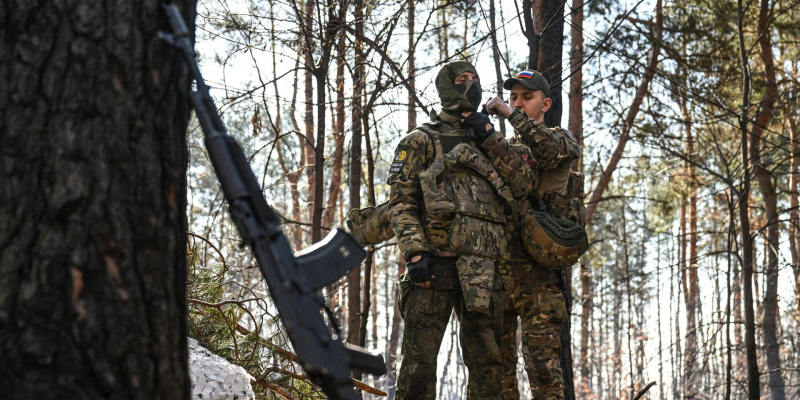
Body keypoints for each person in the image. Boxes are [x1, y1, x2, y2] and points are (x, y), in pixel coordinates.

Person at [389, 60, 534, 400]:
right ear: (444, 87)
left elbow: (524, 186)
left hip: (485, 270)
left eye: (475, 79)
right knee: (417, 365)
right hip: (433, 267)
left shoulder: (492, 140)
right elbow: (401, 202)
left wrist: (490, 135)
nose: (469, 85)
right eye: (461, 79)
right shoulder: (421, 140)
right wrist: (415, 251)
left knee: (488, 368)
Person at [485, 70, 584, 400]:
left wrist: (510, 116)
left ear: (546, 103)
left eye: (526, 97)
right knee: (497, 371)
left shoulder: (561, 139)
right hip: (500, 270)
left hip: (540, 277)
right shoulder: (500, 148)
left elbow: (548, 154)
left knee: (543, 370)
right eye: (514, 98)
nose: (517, 103)